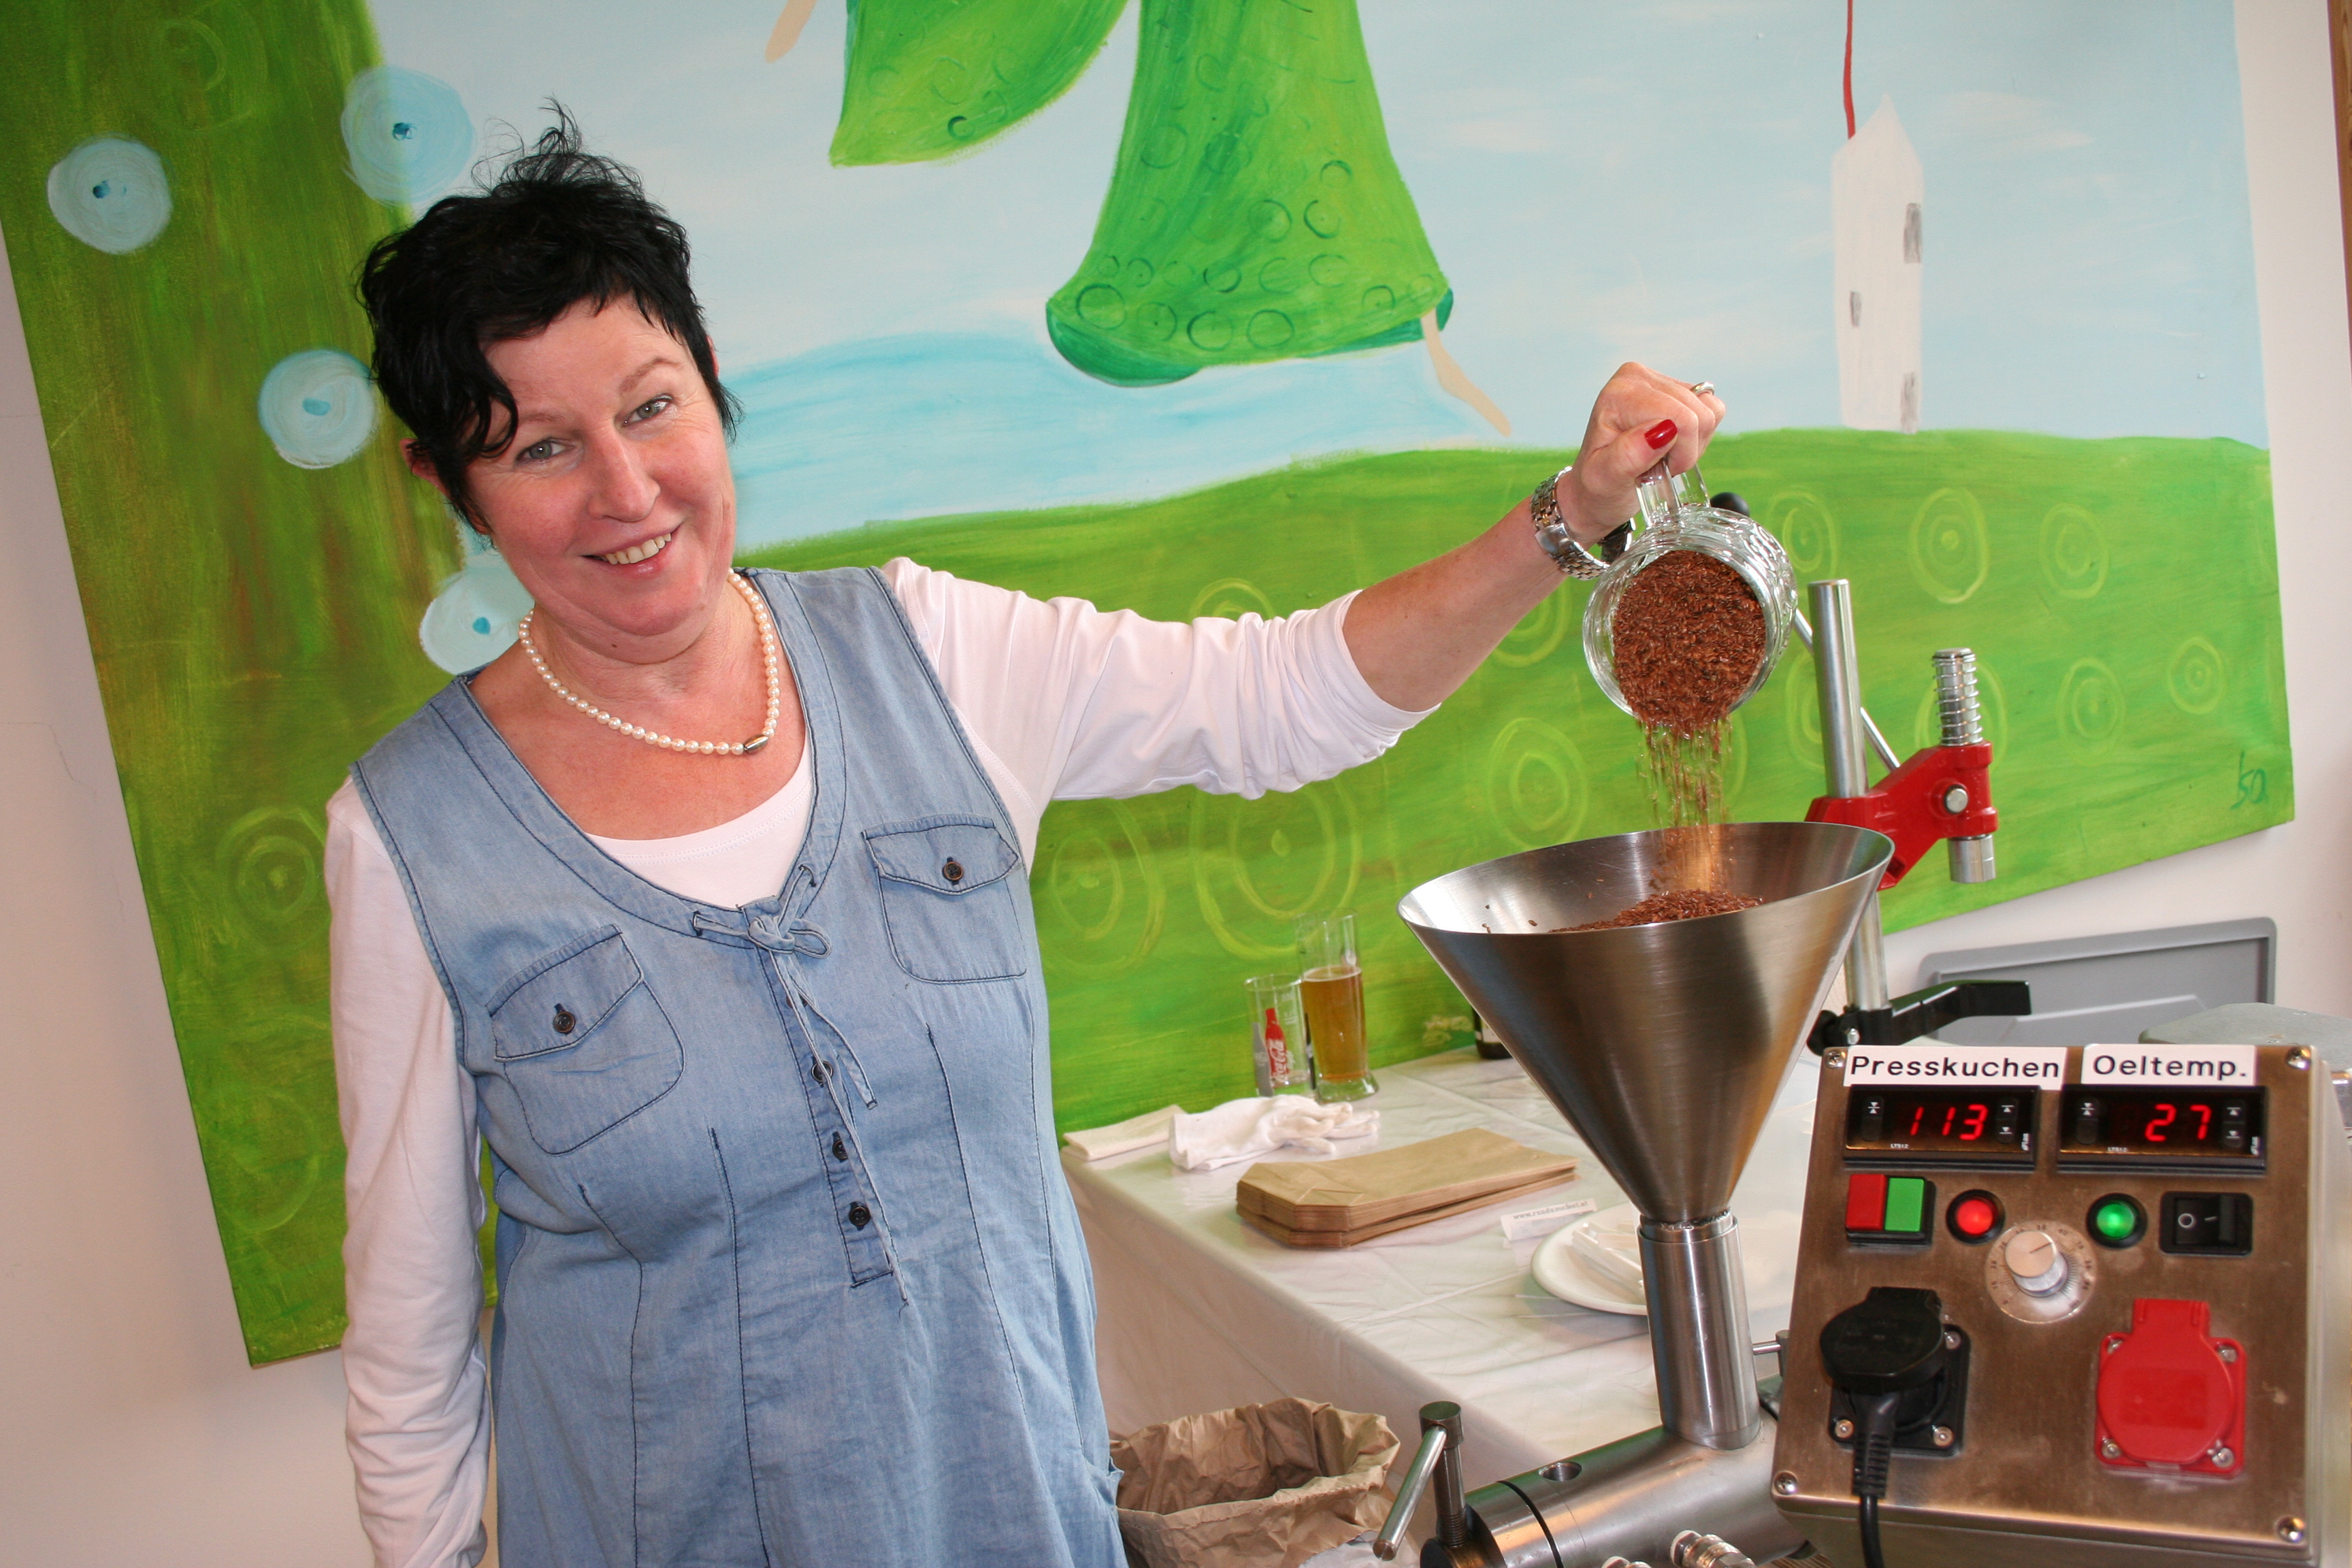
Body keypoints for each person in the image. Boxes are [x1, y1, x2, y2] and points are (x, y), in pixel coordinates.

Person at [327, 117, 1723, 1568]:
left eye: (652, 407)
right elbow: (412, 1360)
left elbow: (1291, 698)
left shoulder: (932, 651)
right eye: (543, 448)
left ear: (712, 378)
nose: (626, 492)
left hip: (1016, 1518)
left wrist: (1571, 516)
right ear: (449, 486)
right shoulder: (407, 838)